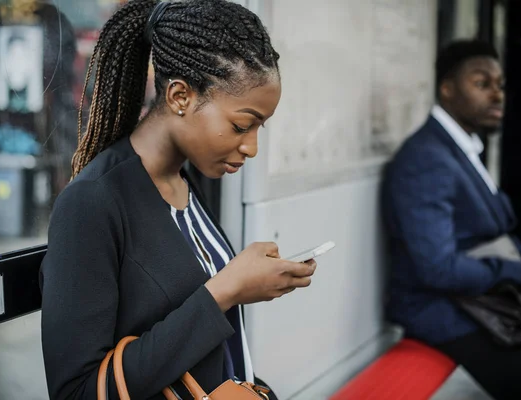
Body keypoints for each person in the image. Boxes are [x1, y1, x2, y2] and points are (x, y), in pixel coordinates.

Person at [39, 1, 317, 399]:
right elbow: (77, 392)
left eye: (259, 128)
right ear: (180, 96)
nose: (252, 147)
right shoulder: (92, 203)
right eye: (241, 125)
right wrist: (226, 289)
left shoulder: (185, 181)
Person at [381, 39, 521, 399]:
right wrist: (513, 271)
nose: (497, 94)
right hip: (444, 312)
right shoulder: (427, 159)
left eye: (500, 85)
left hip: (482, 301)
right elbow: (439, 269)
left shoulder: (459, 148)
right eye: (482, 83)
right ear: (447, 89)